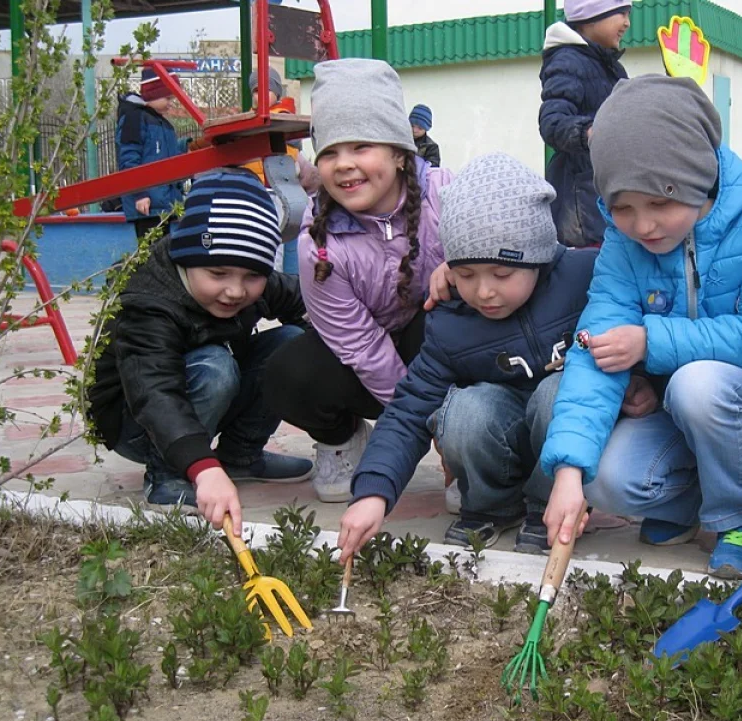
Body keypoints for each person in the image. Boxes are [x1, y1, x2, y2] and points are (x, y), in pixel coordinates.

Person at [539, 75, 742, 579]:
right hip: (679, 400)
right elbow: (595, 349)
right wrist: (569, 472)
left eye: (661, 203)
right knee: (605, 480)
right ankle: (687, 505)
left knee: (698, 385)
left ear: (698, 176)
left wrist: (648, 342)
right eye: (622, 208)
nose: (644, 226)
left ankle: (737, 517)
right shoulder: (625, 245)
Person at [337, 154, 597, 560]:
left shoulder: (584, 279)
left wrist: (642, 385)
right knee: (461, 410)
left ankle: (549, 504)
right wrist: (374, 491)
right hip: (501, 435)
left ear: (540, 254)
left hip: (568, 439)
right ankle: (492, 504)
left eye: (501, 274)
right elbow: (408, 411)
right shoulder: (451, 321)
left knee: (558, 391)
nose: (484, 292)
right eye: (466, 273)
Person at [263, 59, 453, 504]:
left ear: (399, 151)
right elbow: (361, 345)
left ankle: (468, 444)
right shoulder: (319, 240)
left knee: (456, 318)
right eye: (329, 152)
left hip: (436, 350)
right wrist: (415, 421)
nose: (344, 165)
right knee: (287, 373)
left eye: (361, 146)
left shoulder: (445, 196)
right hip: (363, 368)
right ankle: (342, 439)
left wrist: (462, 271)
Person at [87, 170, 314, 534]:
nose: (235, 291)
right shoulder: (149, 301)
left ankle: (239, 457)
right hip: (136, 422)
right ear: (186, 257)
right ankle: (167, 476)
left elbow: (314, 307)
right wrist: (202, 468)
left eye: (252, 276)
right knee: (215, 366)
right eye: (218, 273)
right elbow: (154, 392)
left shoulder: (245, 279)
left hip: (200, 404)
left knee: (289, 343)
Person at [539, 0, 630, 247]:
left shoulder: (612, 67)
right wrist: (592, 132)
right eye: (620, 12)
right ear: (591, 15)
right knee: (591, 268)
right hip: (583, 203)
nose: (627, 22)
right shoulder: (567, 61)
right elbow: (553, 122)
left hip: (608, 187)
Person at [242, 67, 305, 275]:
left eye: (265, 90)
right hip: (270, 187)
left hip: (274, 189)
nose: (259, 95)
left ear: (277, 93)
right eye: (255, 91)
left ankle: (275, 282)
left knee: (274, 242)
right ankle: (286, 282)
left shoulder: (279, 117)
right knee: (284, 243)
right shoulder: (259, 118)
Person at [117, 67, 188, 241]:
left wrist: (186, 147)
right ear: (153, 95)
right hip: (147, 205)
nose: (171, 103)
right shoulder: (135, 118)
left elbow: (167, 158)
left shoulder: (162, 124)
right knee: (151, 255)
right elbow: (129, 158)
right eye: (167, 98)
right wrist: (140, 193)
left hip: (164, 203)